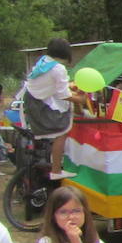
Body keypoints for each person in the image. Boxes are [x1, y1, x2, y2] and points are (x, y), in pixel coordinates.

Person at [22, 38, 87, 180]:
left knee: (61, 130)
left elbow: (51, 84)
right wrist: (80, 99)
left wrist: (69, 87)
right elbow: (63, 94)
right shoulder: (58, 68)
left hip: (33, 100)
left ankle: (55, 166)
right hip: (40, 103)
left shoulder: (44, 61)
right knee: (62, 130)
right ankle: (56, 170)